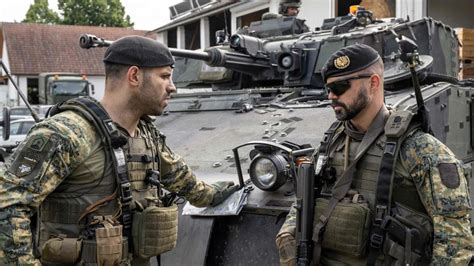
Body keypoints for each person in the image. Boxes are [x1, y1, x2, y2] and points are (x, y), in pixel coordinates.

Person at [0, 35, 238, 265]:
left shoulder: (147, 134)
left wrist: (219, 194)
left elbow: (181, 180)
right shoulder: (66, 133)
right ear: (134, 76)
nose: (172, 87)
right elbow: (8, 206)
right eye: (164, 77)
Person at [276, 44, 473, 265]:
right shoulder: (332, 141)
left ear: (373, 83)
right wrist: (289, 234)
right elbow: (306, 200)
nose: (331, 95)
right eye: (328, 88)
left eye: (340, 86)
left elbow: (456, 241)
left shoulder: (419, 149)